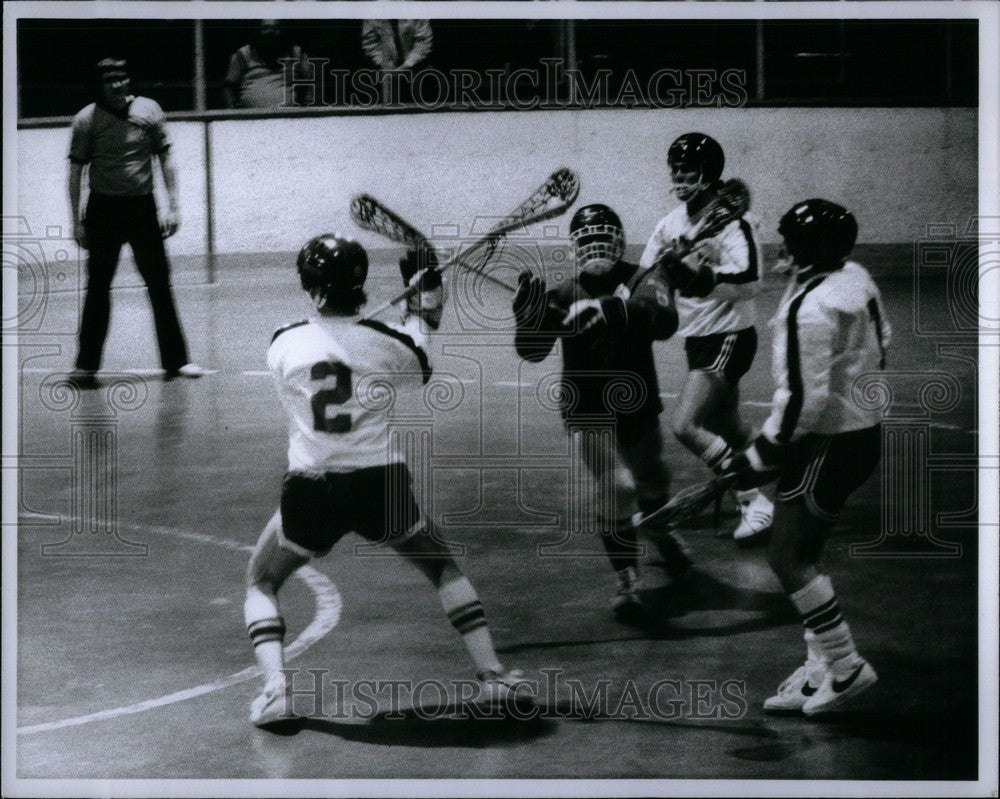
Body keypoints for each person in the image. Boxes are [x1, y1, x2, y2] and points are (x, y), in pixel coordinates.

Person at [244, 234, 528, 728]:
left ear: (313, 291)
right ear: (360, 284)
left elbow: (330, 350)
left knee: (262, 580)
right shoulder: (389, 344)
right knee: (442, 567)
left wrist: (369, 328)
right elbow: (421, 355)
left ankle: (275, 694)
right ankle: (493, 677)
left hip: (313, 487)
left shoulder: (283, 340)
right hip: (381, 484)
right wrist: (423, 301)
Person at [724, 199, 890, 715]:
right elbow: (885, 338)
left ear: (809, 249)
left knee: (787, 557)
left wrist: (760, 455)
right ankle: (820, 667)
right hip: (859, 434)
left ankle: (844, 666)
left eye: (790, 239)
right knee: (807, 556)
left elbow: (803, 401)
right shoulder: (856, 276)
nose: (782, 246)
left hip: (826, 442)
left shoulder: (809, 309)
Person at [512, 204, 692, 624]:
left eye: (603, 239)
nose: (595, 249)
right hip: (586, 406)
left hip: (637, 398)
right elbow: (532, 351)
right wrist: (526, 317)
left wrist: (613, 310)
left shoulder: (644, 277)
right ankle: (627, 576)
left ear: (618, 240)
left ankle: (660, 530)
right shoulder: (561, 295)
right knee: (619, 487)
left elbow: (664, 319)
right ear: (574, 248)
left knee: (652, 481)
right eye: (586, 241)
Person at [640, 132, 773, 543]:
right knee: (728, 426)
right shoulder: (671, 224)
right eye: (674, 171)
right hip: (698, 338)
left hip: (729, 336)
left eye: (688, 171)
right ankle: (797, 469)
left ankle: (753, 500)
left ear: (709, 174)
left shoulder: (735, 222)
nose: (679, 178)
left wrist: (698, 279)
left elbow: (751, 281)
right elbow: (644, 276)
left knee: (685, 424)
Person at [67, 58, 203, 388]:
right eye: (109, 79)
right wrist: (76, 222)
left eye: (122, 77)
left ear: (130, 80)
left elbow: (166, 159)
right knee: (98, 288)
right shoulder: (86, 119)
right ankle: (86, 366)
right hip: (103, 211)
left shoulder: (149, 110)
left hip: (142, 208)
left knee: (159, 284)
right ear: (100, 84)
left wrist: (173, 207)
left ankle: (178, 361)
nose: (116, 84)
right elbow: (75, 172)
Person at [224, 20, 311, 109]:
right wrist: (233, 111)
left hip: (286, 116)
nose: (271, 32)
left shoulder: (296, 52)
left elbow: (309, 83)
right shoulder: (244, 53)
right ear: (258, 31)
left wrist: (308, 109)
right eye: (266, 28)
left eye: (275, 28)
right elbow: (229, 86)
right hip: (250, 117)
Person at [360, 19, 433, 105]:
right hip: (386, 72)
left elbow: (423, 42)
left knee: (421, 108)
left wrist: (407, 65)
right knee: (390, 108)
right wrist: (383, 63)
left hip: (418, 67)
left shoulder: (416, 10)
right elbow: (370, 43)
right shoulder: (373, 14)